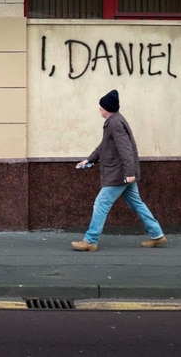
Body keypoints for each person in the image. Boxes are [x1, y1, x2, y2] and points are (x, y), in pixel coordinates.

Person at [71, 89, 167, 251]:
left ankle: (90, 240)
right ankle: (157, 234)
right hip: (122, 173)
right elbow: (104, 146)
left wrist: (129, 173)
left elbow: (126, 149)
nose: (99, 109)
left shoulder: (115, 123)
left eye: (101, 106)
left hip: (119, 174)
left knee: (101, 203)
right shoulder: (115, 121)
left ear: (107, 108)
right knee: (137, 203)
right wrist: (89, 159)